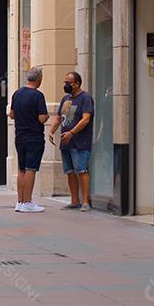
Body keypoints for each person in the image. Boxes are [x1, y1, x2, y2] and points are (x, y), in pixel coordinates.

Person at [48, 71, 94, 212]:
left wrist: (72, 132)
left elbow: (86, 119)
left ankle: (85, 202)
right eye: (65, 82)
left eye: (68, 83)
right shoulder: (66, 98)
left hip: (80, 142)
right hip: (66, 141)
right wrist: (51, 130)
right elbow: (59, 117)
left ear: (77, 83)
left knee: (82, 170)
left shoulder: (85, 98)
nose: (66, 85)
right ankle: (74, 201)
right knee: (69, 171)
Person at [9, 67, 49, 212]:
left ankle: (19, 202)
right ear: (39, 79)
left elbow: (12, 114)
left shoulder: (17, 94)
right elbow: (42, 118)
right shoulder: (38, 96)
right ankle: (27, 202)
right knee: (31, 168)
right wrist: (47, 116)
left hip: (19, 136)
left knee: (21, 169)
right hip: (34, 136)